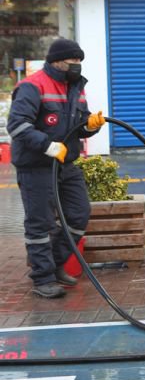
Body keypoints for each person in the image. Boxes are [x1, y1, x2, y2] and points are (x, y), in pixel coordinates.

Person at [5, 38, 105, 298]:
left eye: (80, 62)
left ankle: (56, 264)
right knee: (41, 223)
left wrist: (90, 126)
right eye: (73, 61)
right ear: (57, 61)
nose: (77, 66)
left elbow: (78, 124)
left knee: (79, 213)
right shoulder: (32, 86)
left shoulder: (75, 87)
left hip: (65, 163)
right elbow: (16, 125)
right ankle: (43, 279)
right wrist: (48, 146)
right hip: (36, 165)